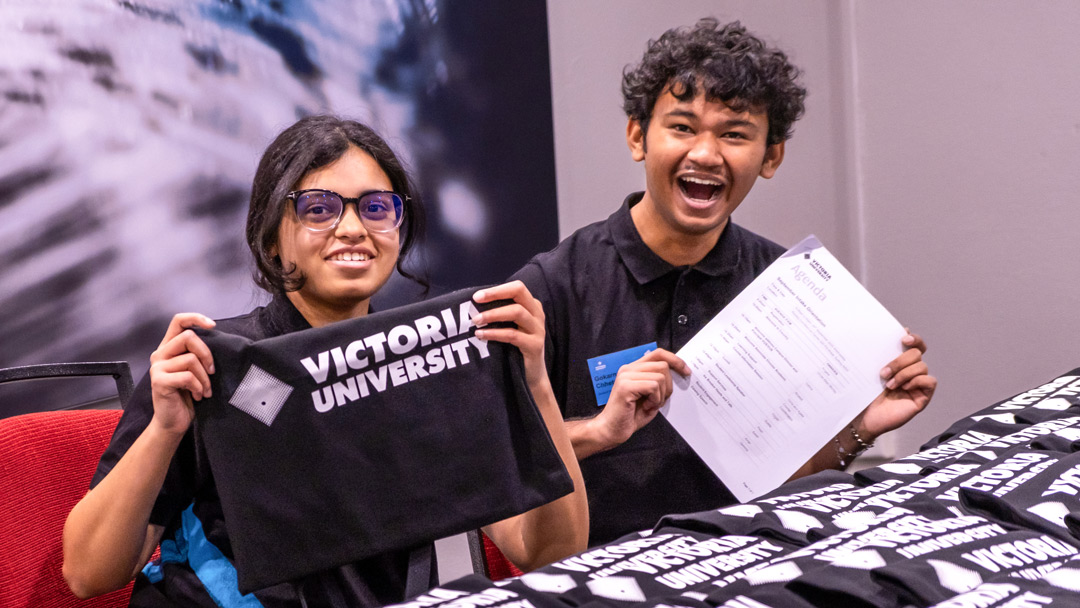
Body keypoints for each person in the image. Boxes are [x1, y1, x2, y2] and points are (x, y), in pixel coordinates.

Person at [62, 115, 588, 606]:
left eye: (376, 207)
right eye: (319, 208)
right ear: (271, 237)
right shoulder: (211, 370)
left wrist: (535, 384)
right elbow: (88, 573)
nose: (354, 228)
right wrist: (164, 430)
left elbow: (549, 553)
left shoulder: (431, 366)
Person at [511, 18, 937, 547]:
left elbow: (783, 482)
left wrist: (862, 427)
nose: (707, 154)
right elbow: (495, 463)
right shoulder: (552, 289)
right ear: (638, 136)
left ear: (771, 156)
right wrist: (599, 430)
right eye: (683, 127)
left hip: (748, 570)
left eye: (734, 134)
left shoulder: (790, 289)